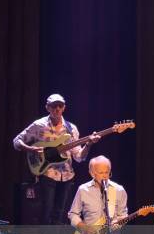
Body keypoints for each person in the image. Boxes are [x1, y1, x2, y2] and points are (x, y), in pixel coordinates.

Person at [13, 94, 100, 226]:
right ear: (47, 107)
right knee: (46, 213)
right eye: (54, 106)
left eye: (60, 106)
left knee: (59, 215)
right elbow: (17, 141)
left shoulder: (71, 129)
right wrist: (30, 149)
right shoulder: (39, 125)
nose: (57, 109)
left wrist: (89, 144)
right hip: (47, 173)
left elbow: (79, 157)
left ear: (64, 108)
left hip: (66, 176)